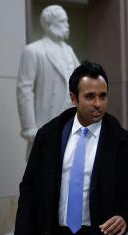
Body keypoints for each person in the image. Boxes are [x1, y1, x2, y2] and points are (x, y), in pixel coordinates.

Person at [13, 61, 128, 235]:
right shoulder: (49, 136)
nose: (98, 103)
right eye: (90, 96)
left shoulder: (125, 143)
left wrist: (124, 216)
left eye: (103, 96)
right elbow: (30, 187)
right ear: (73, 98)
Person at [16, 5, 80, 157]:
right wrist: (30, 127)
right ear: (51, 25)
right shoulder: (33, 50)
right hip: (46, 125)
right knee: (44, 174)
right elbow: (24, 90)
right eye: (63, 21)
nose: (67, 25)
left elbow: (82, 82)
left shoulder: (69, 50)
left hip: (71, 124)